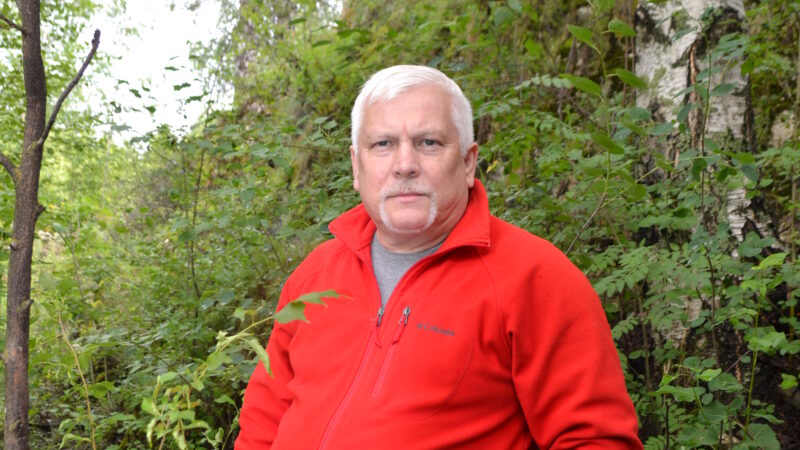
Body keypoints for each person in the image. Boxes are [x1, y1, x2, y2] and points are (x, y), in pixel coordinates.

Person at [235, 65, 642, 449]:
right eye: (383, 144)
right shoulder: (314, 276)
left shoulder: (536, 279)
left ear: (467, 162)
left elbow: (596, 439)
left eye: (428, 142)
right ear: (356, 166)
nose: (405, 165)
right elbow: (261, 424)